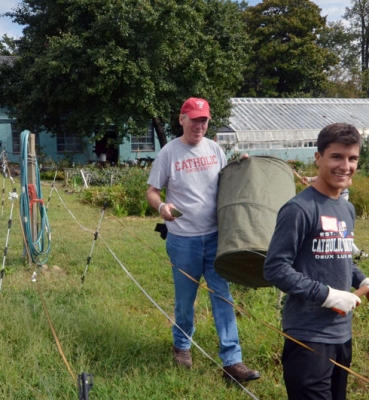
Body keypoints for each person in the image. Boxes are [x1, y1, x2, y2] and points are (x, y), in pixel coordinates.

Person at [146, 97, 260, 382]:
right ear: (182, 119)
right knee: (186, 299)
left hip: (215, 238)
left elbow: (224, 182)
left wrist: (240, 167)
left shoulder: (215, 149)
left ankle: (232, 360)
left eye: (204, 120)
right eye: (194, 119)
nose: (200, 125)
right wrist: (162, 207)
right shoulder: (169, 153)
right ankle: (182, 345)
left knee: (222, 296)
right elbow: (152, 191)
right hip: (183, 240)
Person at [263, 123, 369, 400]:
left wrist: (361, 279)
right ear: (318, 157)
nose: (345, 166)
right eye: (336, 156)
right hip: (308, 335)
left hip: (341, 335)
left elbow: (340, 254)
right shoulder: (299, 209)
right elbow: (275, 268)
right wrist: (327, 295)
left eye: (352, 158)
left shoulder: (347, 208)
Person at [300, 176, 367, 259]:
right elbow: (323, 177)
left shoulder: (347, 205)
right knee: (335, 229)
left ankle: (353, 250)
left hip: (341, 197)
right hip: (327, 198)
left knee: (339, 228)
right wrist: (310, 180)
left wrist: (331, 189)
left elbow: (348, 182)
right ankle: (353, 250)